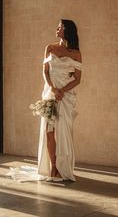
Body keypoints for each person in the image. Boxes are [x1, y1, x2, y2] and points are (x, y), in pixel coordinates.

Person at [37, 19, 82, 182]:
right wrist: (53, 89)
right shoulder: (50, 48)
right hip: (50, 93)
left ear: (68, 30)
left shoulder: (76, 52)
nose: (57, 28)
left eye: (61, 27)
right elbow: (45, 72)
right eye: (57, 26)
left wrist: (62, 91)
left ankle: (64, 167)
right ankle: (53, 167)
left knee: (63, 131)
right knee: (49, 130)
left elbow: (77, 79)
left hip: (66, 96)